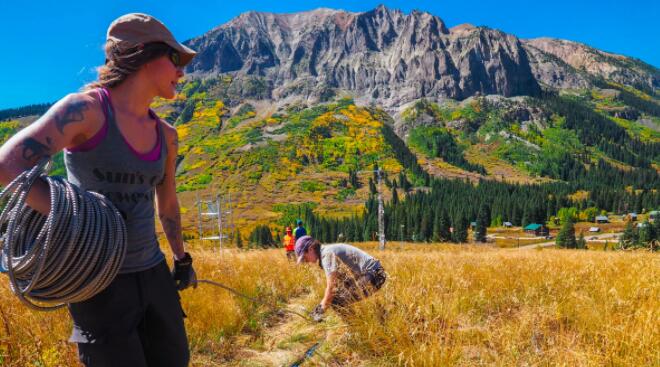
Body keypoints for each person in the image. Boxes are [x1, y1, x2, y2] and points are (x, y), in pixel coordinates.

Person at [0, 13, 197, 367]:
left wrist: (182, 260)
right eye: (175, 58)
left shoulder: (166, 135)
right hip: (97, 284)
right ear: (141, 52)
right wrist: (76, 216)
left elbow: (167, 205)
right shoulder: (85, 111)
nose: (182, 71)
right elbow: (7, 165)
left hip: (152, 273)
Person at [294, 235, 386, 320]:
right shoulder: (326, 252)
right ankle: (378, 316)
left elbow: (331, 288)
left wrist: (320, 310)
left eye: (304, 258)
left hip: (374, 274)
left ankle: (355, 329)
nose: (306, 262)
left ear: (310, 249)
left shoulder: (327, 255)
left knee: (336, 300)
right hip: (373, 273)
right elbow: (339, 283)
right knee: (342, 291)